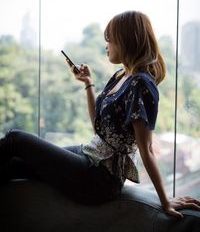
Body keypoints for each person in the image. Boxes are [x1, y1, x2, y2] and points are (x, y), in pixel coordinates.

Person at [0, 11, 199, 218]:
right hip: (90, 155)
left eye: (110, 40)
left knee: (16, 139)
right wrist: (88, 83)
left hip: (100, 178)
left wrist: (165, 201)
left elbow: (146, 147)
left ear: (126, 40)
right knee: (13, 164)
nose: (107, 45)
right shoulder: (121, 75)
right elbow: (99, 126)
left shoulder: (142, 84)